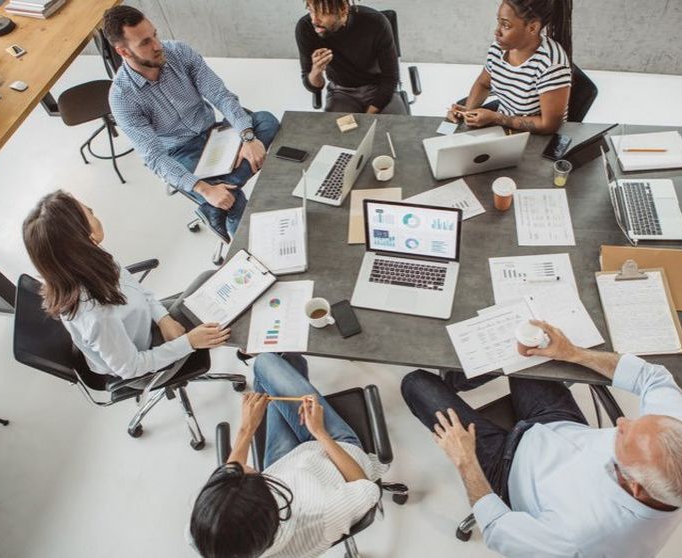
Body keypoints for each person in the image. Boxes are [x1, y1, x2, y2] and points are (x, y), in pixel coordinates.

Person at [401, 319, 682, 557]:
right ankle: (461, 377)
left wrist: (465, 460)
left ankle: (455, 382)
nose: (622, 421)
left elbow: (499, 530)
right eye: (638, 422)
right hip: (560, 426)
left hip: (504, 467)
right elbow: (652, 378)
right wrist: (574, 353)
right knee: (525, 351)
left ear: (634, 486)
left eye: (623, 440)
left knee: (416, 382)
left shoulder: (581, 541)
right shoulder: (680, 438)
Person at [104, 5, 280, 241]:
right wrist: (204, 189)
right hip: (180, 152)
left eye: (155, 34)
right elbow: (155, 158)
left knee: (265, 121)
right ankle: (230, 216)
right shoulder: (122, 98)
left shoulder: (178, 52)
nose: (157, 45)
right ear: (124, 52)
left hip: (213, 133)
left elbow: (220, 95)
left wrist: (247, 137)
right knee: (233, 200)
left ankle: (215, 206)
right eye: (145, 43)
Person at [22, 190, 229, 387]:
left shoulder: (84, 259)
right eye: (90, 213)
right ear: (86, 238)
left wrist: (164, 319)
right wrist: (189, 343)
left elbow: (135, 289)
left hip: (145, 325)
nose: (93, 211)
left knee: (211, 283)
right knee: (219, 297)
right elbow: (131, 368)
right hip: (147, 368)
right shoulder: (97, 315)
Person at [190, 353, 384, 558]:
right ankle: (292, 360)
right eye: (250, 474)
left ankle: (292, 361)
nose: (239, 465)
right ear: (270, 505)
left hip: (285, 466)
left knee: (281, 371)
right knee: (265, 362)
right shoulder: (323, 514)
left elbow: (226, 488)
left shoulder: (206, 537)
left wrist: (246, 429)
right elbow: (366, 487)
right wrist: (320, 433)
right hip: (337, 456)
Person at [448, 0, 573, 134]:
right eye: (498, 22)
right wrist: (468, 111)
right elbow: (484, 83)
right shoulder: (499, 47)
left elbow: (548, 126)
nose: (497, 31)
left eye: (506, 25)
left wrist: (496, 118)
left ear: (532, 28)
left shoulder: (551, 65)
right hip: (505, 130)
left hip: (537, 138)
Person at [296, 0, 405, 114]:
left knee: (399, 129)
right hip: (341, 92)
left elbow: (390, 78)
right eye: (311, 11)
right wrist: (316, 71)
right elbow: (313, 86)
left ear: (343, 9)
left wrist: (368, 117)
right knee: (336, 131)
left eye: (323, 13)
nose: (314, 20)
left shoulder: (376, 22)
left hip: (379, 88)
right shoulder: (305, 28)